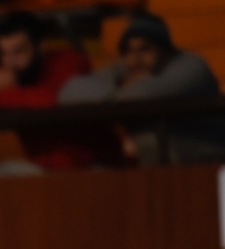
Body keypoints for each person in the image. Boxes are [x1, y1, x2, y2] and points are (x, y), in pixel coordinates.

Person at [0, 12, 114, 174]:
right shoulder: (6, 75)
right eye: (4, 53)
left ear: (40, 46)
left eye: (18, 52)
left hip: (93, 167)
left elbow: (53, 100)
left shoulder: (68, 60)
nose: (10, 62)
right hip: (42, 169)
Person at [60, 12, 224, 165]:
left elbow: (145, 94)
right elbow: (69, 93)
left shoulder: (191, 67)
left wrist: (117, 92)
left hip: (211, 162)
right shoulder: (125, 71)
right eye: (128, 51)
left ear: (165, 51)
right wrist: (119, 87)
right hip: (163, 168)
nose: (136, 58)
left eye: (145, 49)